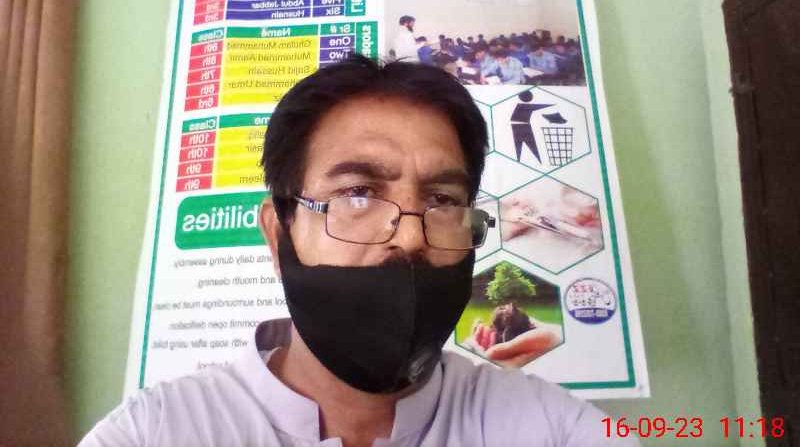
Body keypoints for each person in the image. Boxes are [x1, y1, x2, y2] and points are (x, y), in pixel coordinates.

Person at [79, 57, 637, 447]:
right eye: (358, 193)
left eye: (443, 200)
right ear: (278, 233)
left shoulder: (553, 428)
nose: (411, 237)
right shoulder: (154, 433)